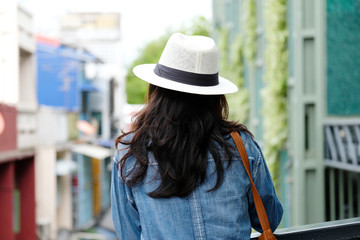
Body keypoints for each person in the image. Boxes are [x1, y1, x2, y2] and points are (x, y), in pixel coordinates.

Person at [111, 32, 283, 240]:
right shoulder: (240, 145)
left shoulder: (131, 153)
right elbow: (270, 218)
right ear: (214, 97)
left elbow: (128, 234)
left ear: (157, 90)